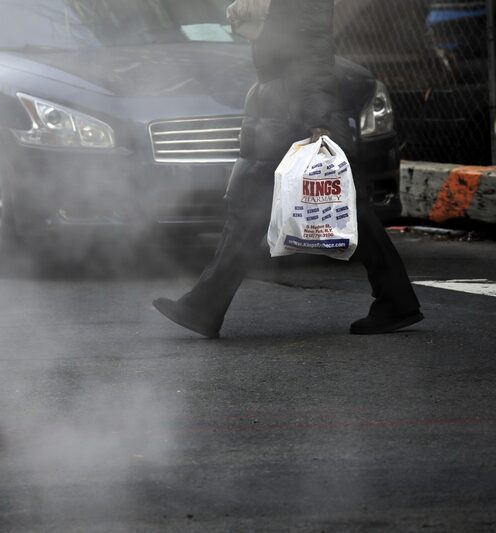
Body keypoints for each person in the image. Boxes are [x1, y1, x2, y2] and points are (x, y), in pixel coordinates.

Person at [153, 0, 423, 337]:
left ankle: (396, 299)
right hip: (278, 112)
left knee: (343, 210)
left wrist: (318, 121)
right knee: (253, 212)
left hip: (294, 117)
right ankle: (204, 306)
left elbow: (315, 57)